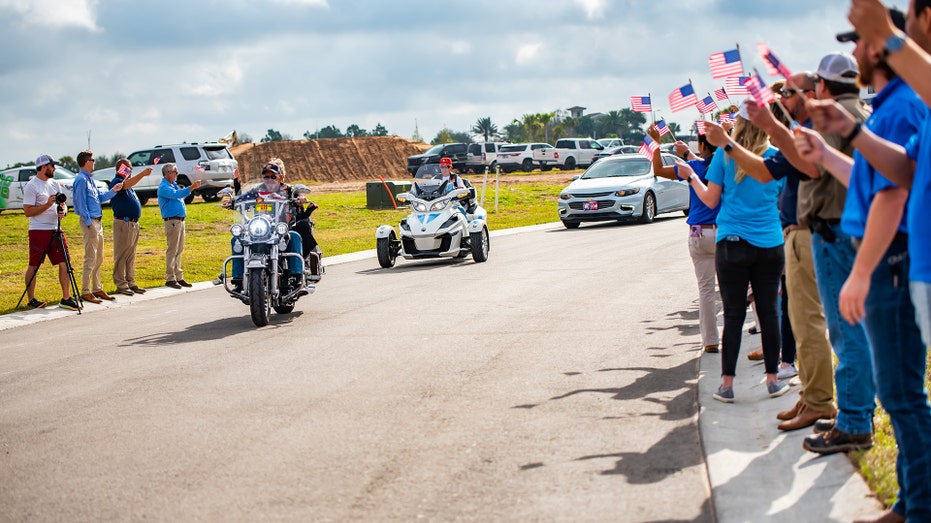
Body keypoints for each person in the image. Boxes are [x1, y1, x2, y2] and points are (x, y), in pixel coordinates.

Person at [798, 4, 931, 520]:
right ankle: (911, 501)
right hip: (896, 263)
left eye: (859, 40)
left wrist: (860, 272)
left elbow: (892, 195)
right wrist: (838, 145)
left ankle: (918, 507)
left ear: (880, 45)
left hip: (892, 262)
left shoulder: (902, 106)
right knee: (900, 393)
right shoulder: (899, 104)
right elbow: (888, 173)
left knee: (901, 394)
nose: (855, 52)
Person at [677, 102, 789, 403]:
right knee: (768, 311)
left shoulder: (724, 159)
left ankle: (726, 384)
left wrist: (691, 176)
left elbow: (710, 201)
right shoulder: (774, 159)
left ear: (737, 128)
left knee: (734, 314)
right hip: (769, 243)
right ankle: (772, 379)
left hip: (732, 243)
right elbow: (782, 201)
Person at [647, 125, 721, 353]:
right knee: (732, 288)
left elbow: (658, 169)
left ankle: (710, 341)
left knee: (706, 289)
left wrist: (655, 143)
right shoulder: (727, 167)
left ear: (701, 146)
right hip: (725, 231)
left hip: (699, 232)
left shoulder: (692, 167)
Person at [227, 161, 308, 293]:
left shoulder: (289, 190)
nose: (269, 179)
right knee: (237, 238)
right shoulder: (258, 191)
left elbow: (298, 195)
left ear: (280, 177)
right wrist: (232, 200)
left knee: (294, 236)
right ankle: (238, 280)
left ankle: (297, 276)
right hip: (262, 227)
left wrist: (301, 198)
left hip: (282, 228)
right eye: (266, 177)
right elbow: (242, 199)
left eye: (273, 176)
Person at [22, 155, 81, 311]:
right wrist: (47, 204)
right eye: (52, 166)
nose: (55, 168)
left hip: (56, 229)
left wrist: (63, 211)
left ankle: (66, 298)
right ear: (43, 167)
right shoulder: (32, 185)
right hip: (38, 230)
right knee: (34, 264)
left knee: (65, 262)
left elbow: (63, 204)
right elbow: (28, 211)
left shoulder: (55, 183)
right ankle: (31, 298)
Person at [72, 150, 122, 304]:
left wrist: (113, 191)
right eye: (92, 159)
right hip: (91, 222)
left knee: (99, 257)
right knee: (90, 257)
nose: (94, 162)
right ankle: (86, 291)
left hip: (97, 222)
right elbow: (80, 203)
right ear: (86, 161)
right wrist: (88, 223)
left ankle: (97, 288)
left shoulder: (89, 179)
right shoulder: (81, 179)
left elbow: (99, 198)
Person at [109, 159, 153, 295]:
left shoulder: (129, 185)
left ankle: (130, 281)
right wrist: (142, 174)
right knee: (121, 254)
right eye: (128, 168)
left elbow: (129, 185)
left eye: (131, 168)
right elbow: (125, 185)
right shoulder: (117, 181)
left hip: (133, 223)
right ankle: (121, 284)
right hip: (124, 223)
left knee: (130, 255)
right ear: (121, 169)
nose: (130, 171)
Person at [157, 163, 201, 289]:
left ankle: (178, 276)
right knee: (172, 250)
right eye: (175, 171)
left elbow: (179, 193)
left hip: (179, 221)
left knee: (179, 249)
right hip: (172, 221)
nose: (177, 174)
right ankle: (170, 277)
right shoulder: (164, 187)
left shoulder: (172, 185)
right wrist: (191, 187)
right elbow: (176, 195)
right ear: (169, 173)